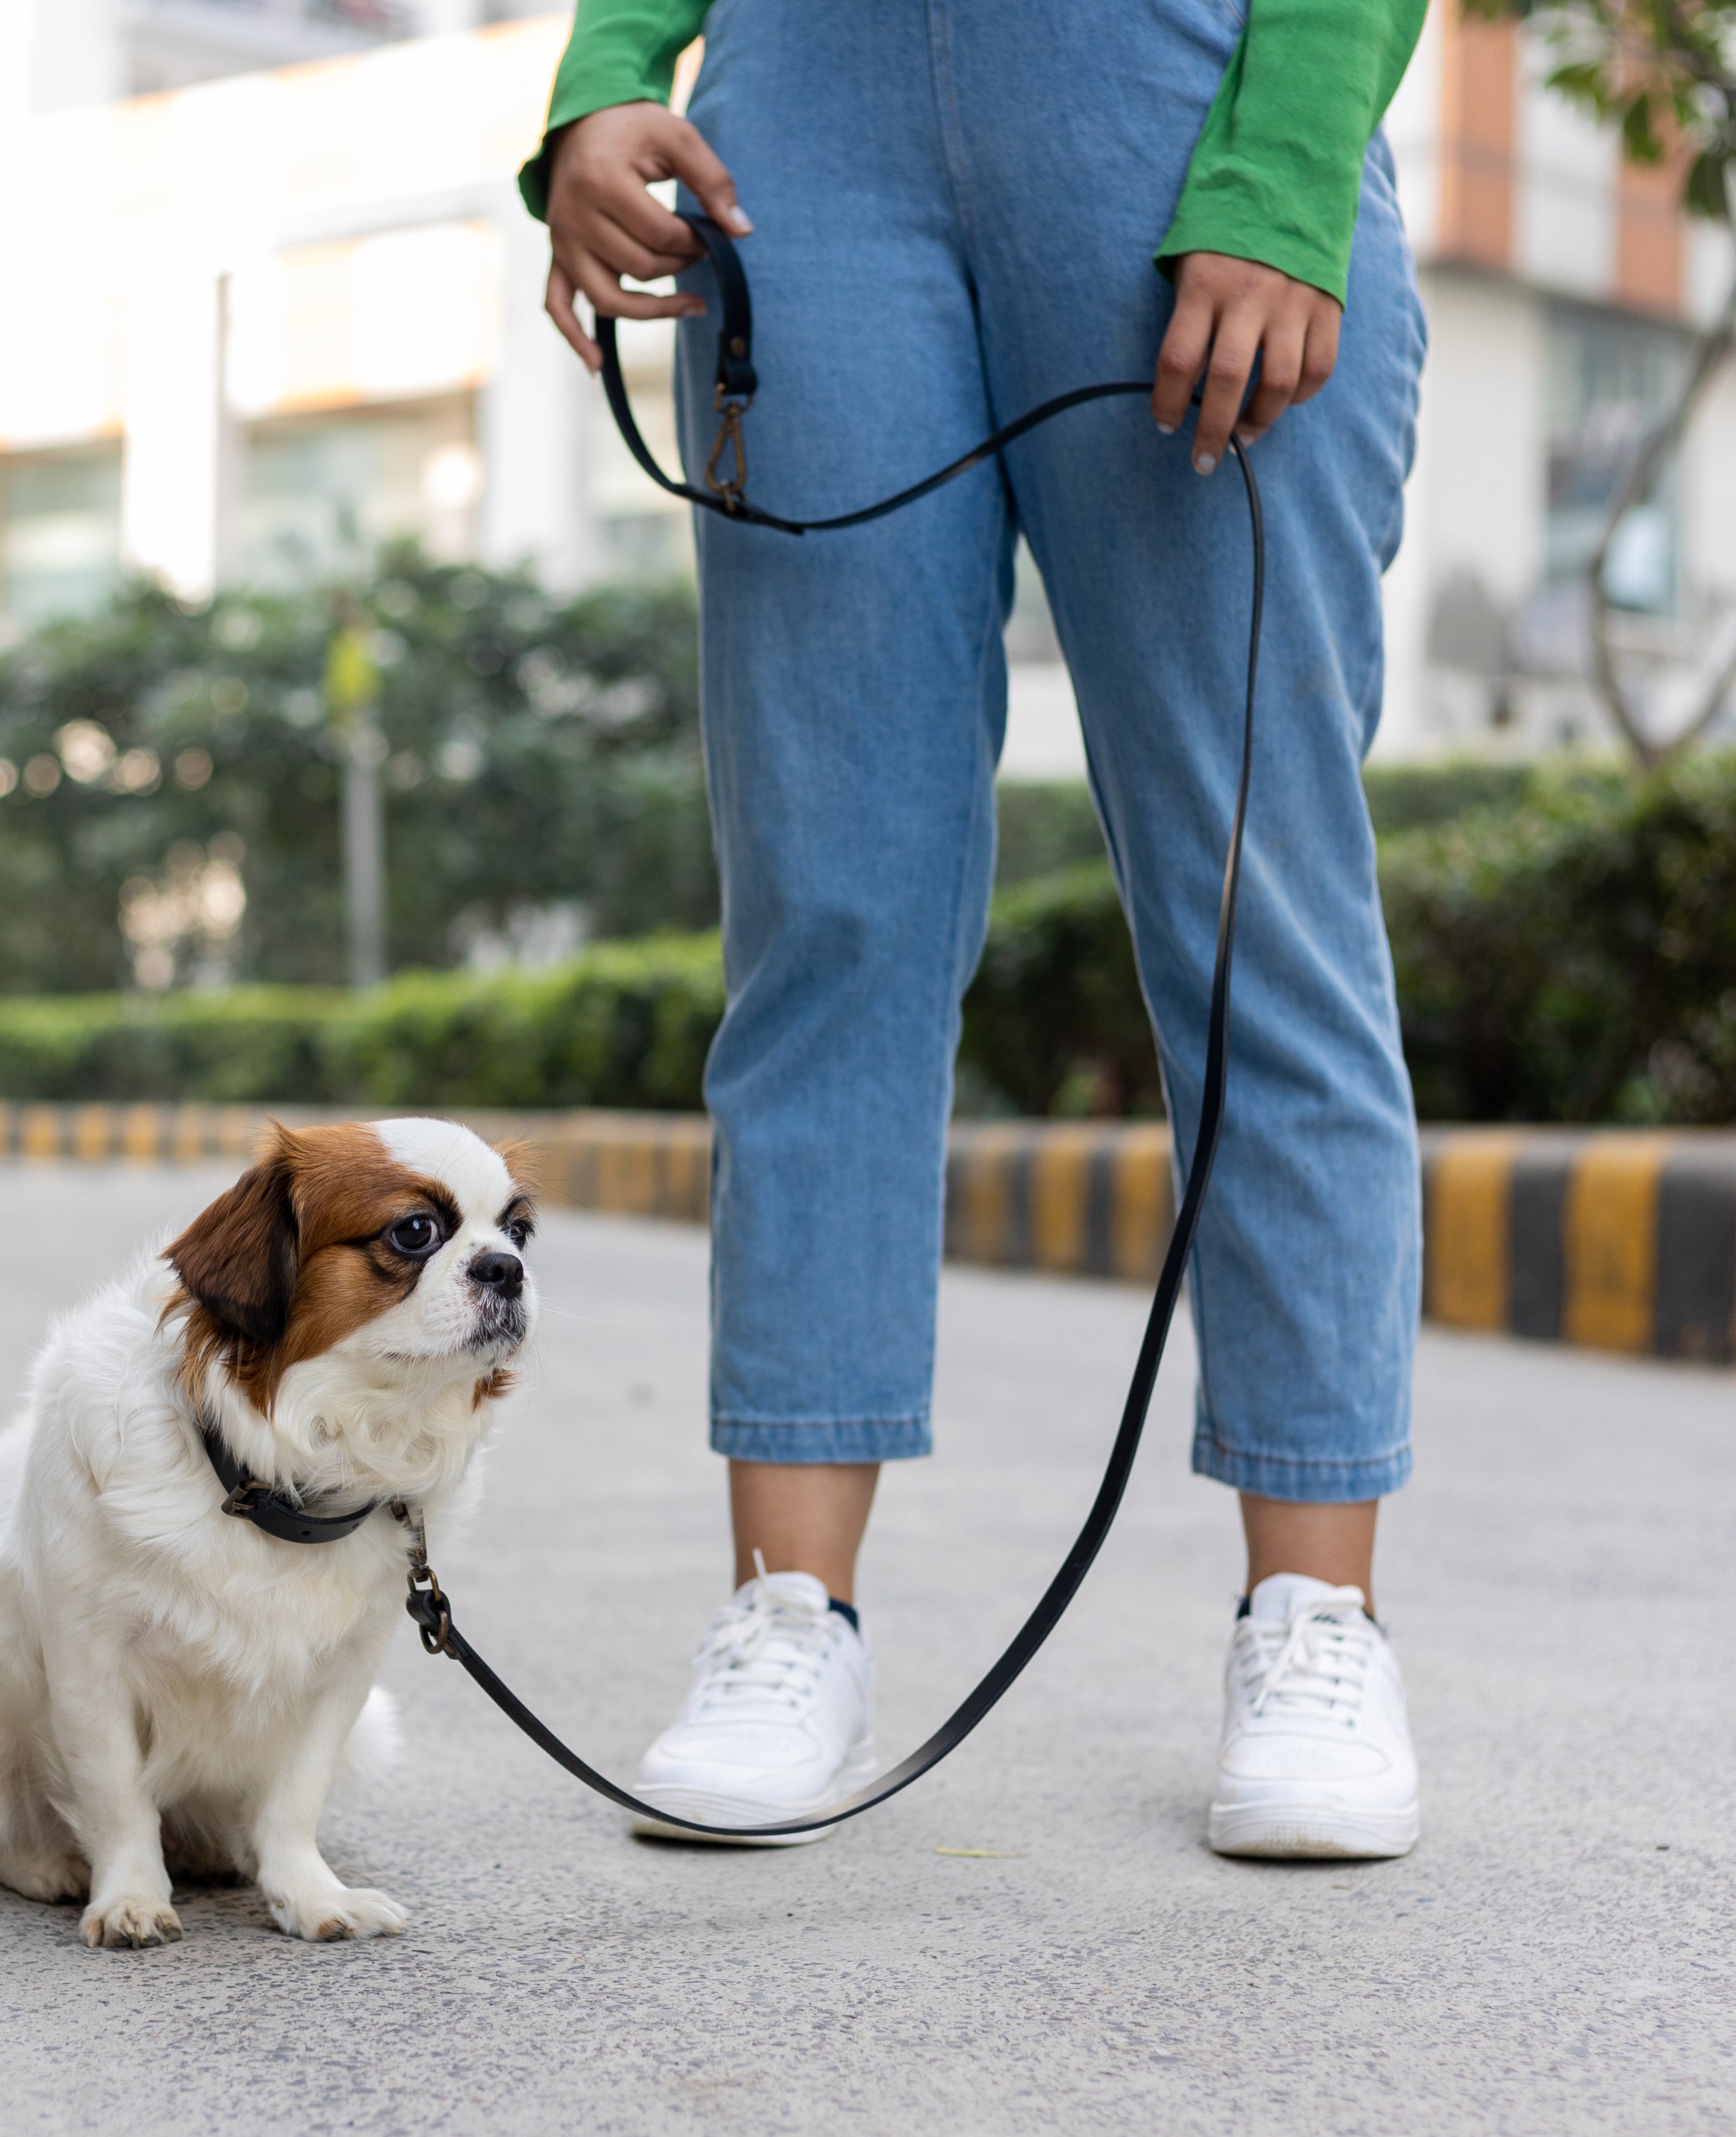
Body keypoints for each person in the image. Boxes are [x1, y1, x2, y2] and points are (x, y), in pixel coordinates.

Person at [521, 0, 1429, 1858]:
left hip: (1181, 112)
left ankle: (1316, 1617)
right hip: (806, 149)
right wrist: (604, 79)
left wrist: (1286, 164)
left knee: (1258, 908)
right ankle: (790, 1615)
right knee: (827, 917)